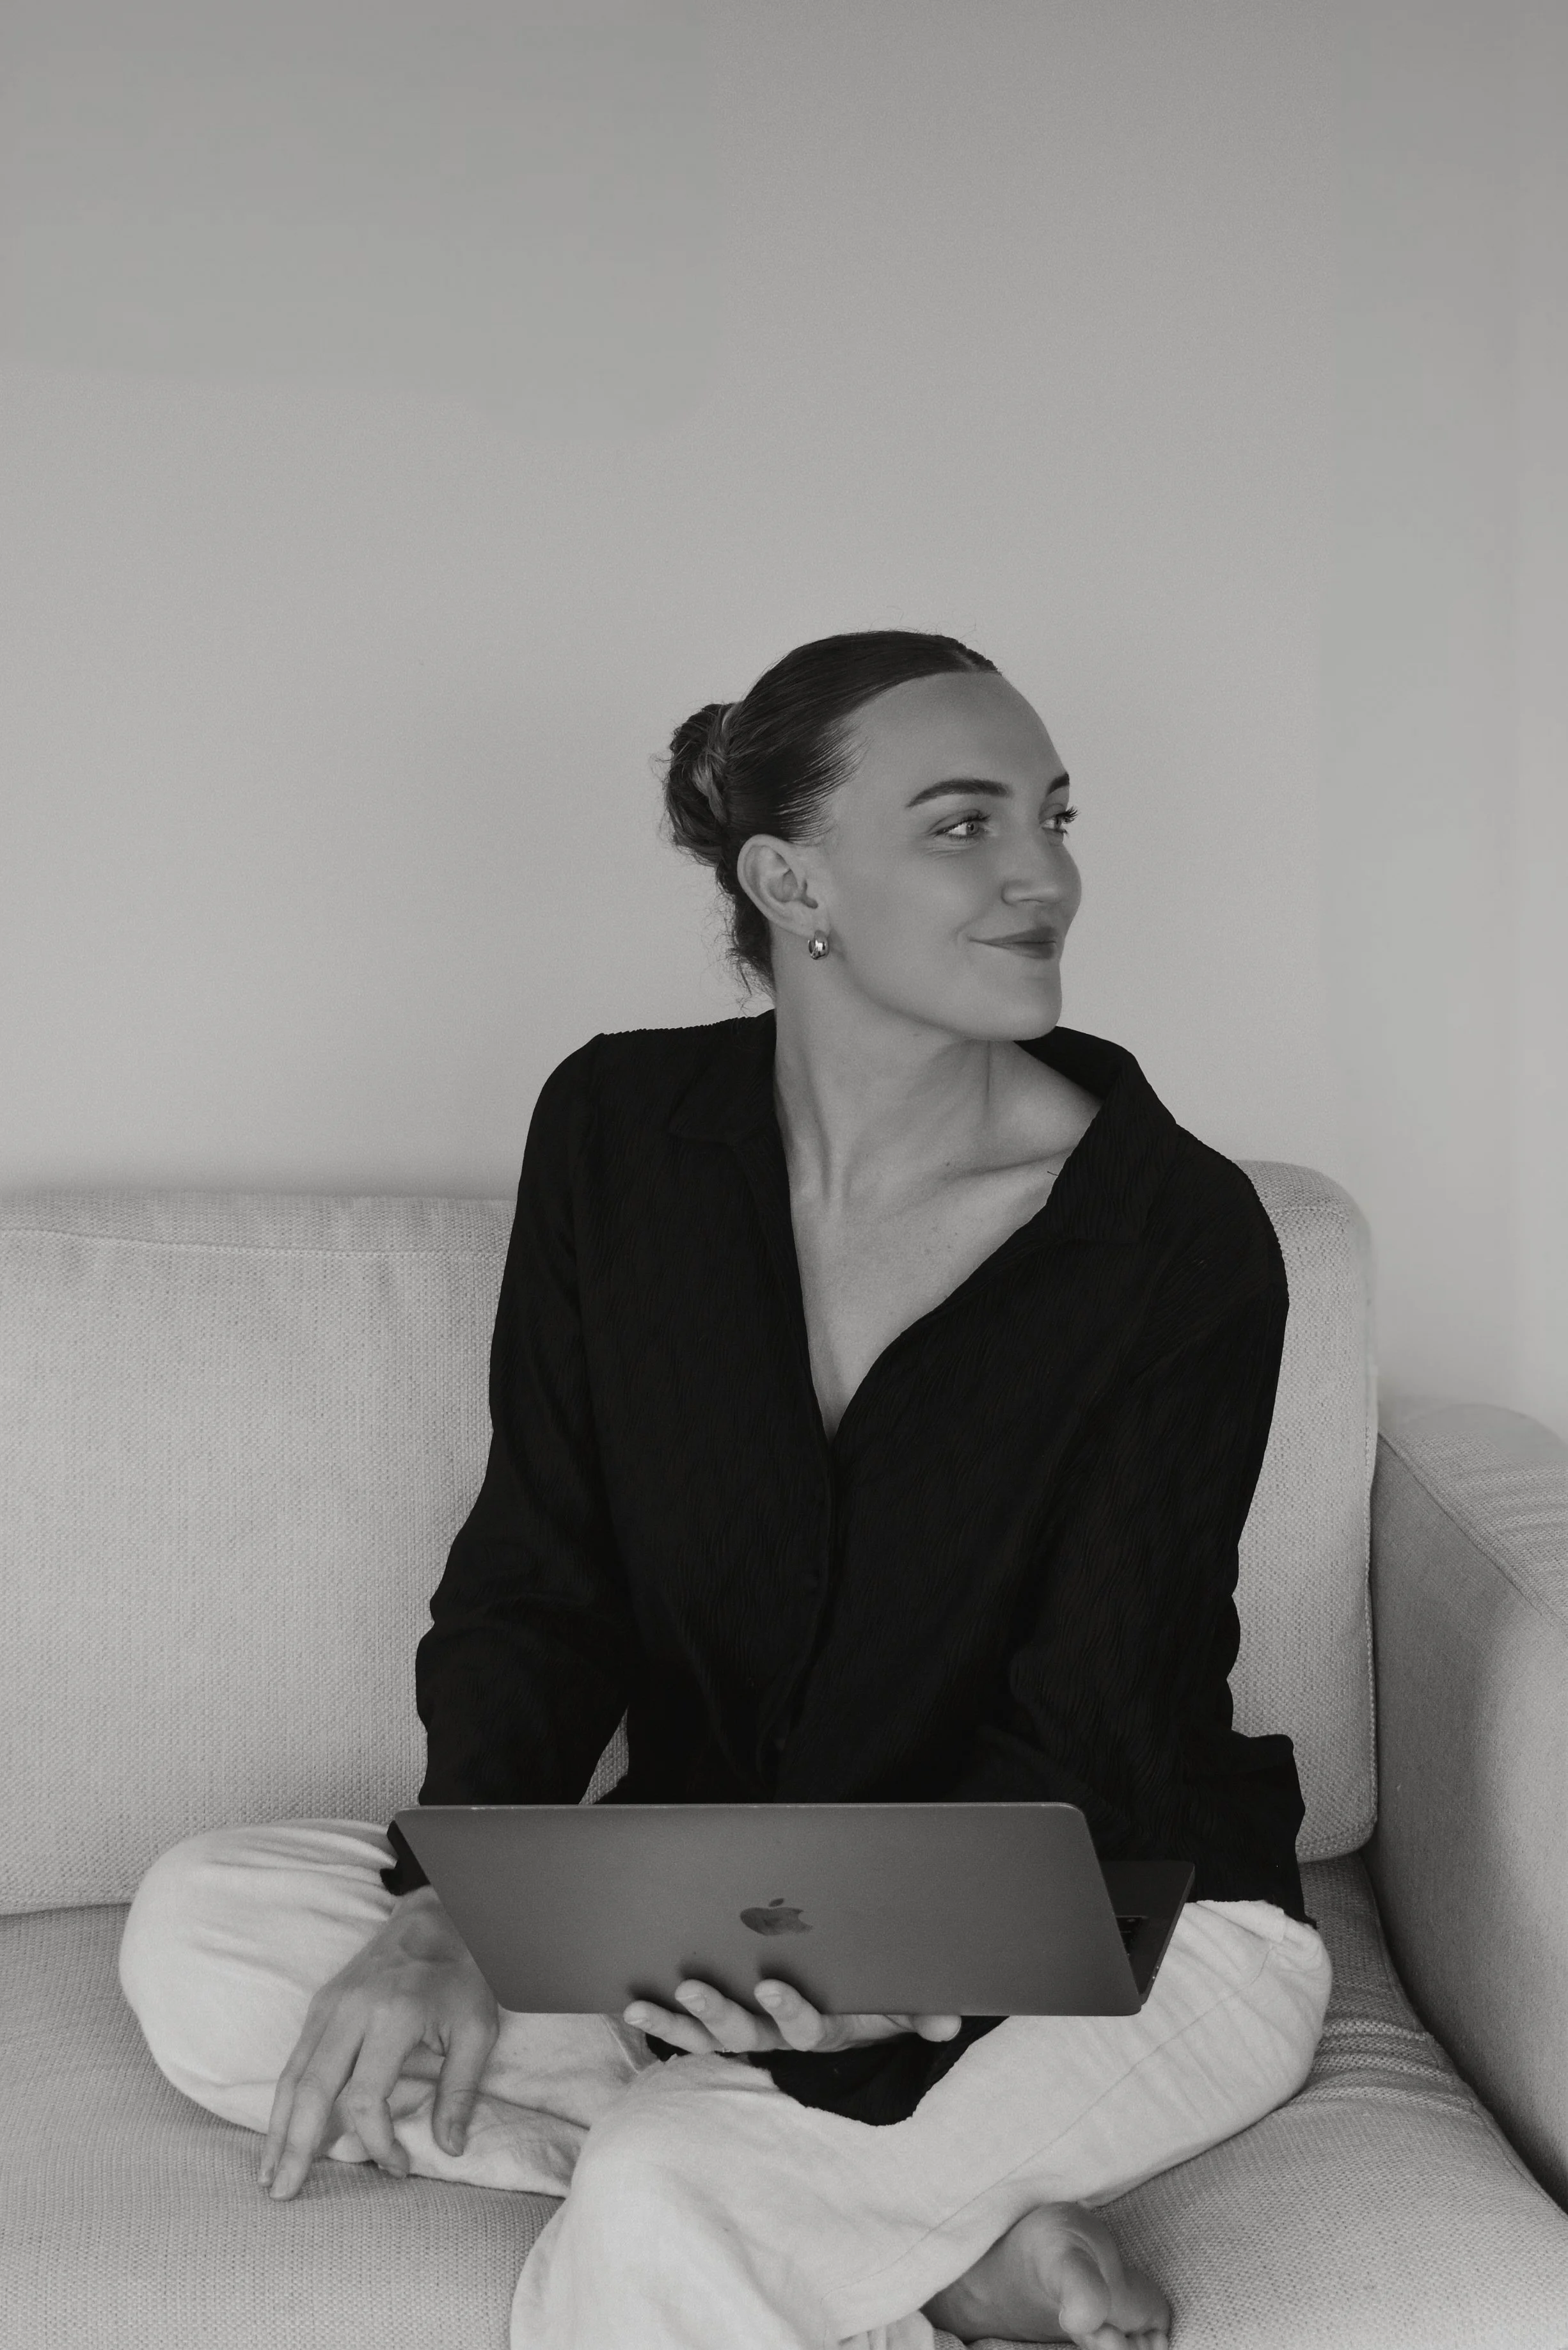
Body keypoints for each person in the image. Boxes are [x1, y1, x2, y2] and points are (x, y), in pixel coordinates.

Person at [120, 629, 1333, 2350]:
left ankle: (779, 2193)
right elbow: (542, 1575)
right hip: (710, 1893)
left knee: (674, 2187)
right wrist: (475, 1906)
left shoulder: (1179, 1242)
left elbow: (1098, 1725)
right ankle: (931, 2253)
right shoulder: (619, 1134)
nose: (1044, 875)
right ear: (789, 879)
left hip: (1101, 1922)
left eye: (1053, 820)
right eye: (964, 826)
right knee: (210, 1935)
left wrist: (846, 1985)